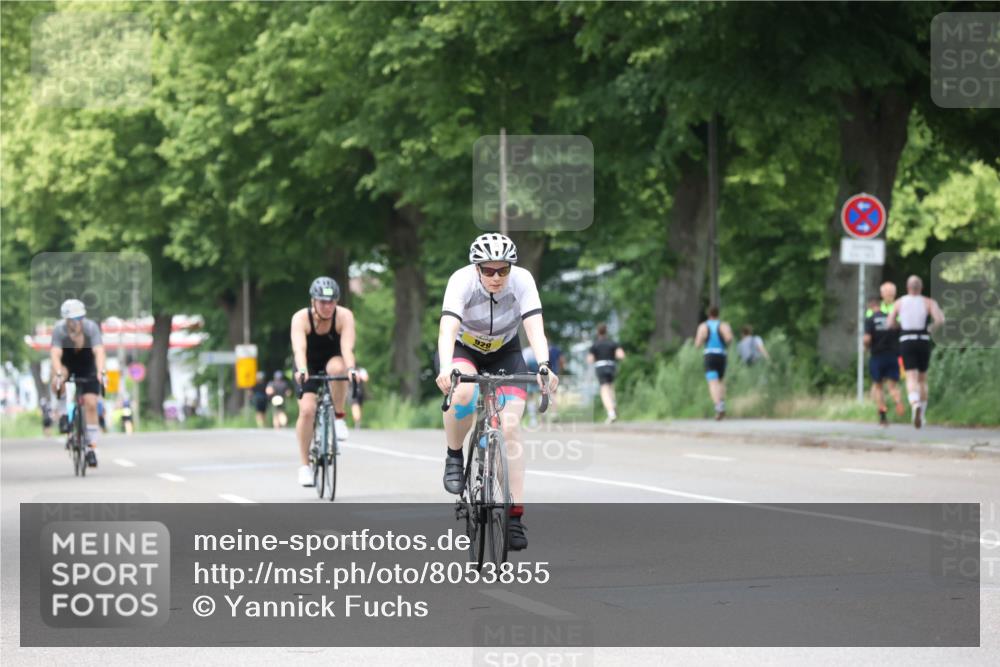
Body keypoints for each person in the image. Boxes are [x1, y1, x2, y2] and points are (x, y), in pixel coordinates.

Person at [435, 233, 558, 551]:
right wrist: (447, 366)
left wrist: (543, 364)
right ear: (477, 268)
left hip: (506, 351)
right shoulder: (461, 280)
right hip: (465, 350)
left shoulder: (522, 281)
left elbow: (534, 326)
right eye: (488, 270)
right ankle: (454, 455)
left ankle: (515, 516)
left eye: (502, 270)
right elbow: (448, 327)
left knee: (512, 427)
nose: (495, 277)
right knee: (463, 396)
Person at [291, 277, 358, 486]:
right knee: (307, 410)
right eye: (322, 302)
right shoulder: (301, 318)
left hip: (333, 359)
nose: (328, 307)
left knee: (338, 369)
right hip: (307, 364)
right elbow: (299, 349)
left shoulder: (344, 316)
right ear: (313, 301)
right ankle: (304, 466)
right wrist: (302, 370)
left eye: (332, 302)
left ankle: (338, 417)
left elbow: (347, 348)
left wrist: (352, 369)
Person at [50, 298, 106, 467]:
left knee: (90, 402)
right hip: (67, 363)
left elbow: (99, 351)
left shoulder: (90, 328)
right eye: (75, 319)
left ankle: (91, 448)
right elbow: (55, 354)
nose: (78, 322)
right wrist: (59, 373)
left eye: (81, 318)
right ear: (66, 319)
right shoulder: (59, 330)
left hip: (87, 364)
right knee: (57, 379)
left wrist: (101, 371)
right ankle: (63, 414)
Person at [887, 275, 945, 429]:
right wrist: (931, 328)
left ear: (907, 287)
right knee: (922, 379)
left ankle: (914, 404)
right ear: (921, 288)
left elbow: (890, 322)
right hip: (923, 339)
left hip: (906, 339)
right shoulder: (928, 302)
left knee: (910, 377)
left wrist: (898, 325)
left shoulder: (899, 302)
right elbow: (940, 319)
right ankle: (922, 415)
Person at [864, 290, 905, 427]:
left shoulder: (870, 320)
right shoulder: (890, 318)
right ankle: (898, 402)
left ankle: (883, 415)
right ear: (880, 305)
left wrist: (865, 347)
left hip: (877, 356)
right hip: (892, 356)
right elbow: (899, 331)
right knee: (893, 386)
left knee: (879, 387)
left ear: (870, 306)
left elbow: (867, 339)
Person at [694, 306, 733, 420]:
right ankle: (722, 403)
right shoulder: (724, 325)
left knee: (712, 383)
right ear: (718, 314)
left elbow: (697, 344)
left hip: (710, 355)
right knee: (721, 381)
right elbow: (729, 339)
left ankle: (718, 406)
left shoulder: (703, 326)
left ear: (708, 314)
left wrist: (704, 340)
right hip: (721, 355)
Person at [587, 324, 625, 423]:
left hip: (600, 367)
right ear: (606, 331)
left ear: (598, 332)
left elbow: (590, 359)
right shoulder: (612, 343)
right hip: (611, 366)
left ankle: (611, 412)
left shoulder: (595, 344)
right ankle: (613, 404)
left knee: (604, 390)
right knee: (611, 387)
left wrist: (597, 356)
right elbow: (621, 355)